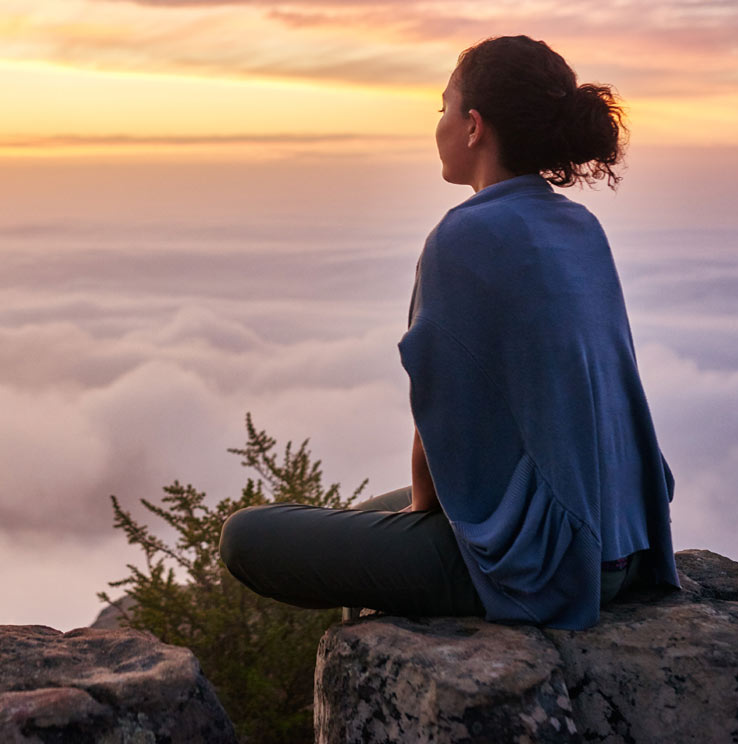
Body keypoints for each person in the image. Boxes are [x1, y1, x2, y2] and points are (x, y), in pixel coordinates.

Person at [218, 35, 679, 630]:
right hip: (624, 539)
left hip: (552, 565)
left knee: (248, 536)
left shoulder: (465, 236)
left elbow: (441, 421)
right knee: (362, 515)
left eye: (443, 107)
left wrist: (422, 520)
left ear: (473, 126)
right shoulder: (578, 225)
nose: (437, 123)